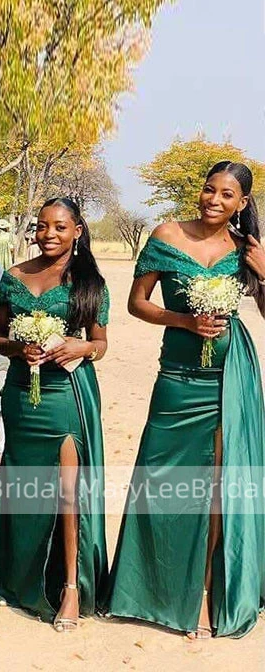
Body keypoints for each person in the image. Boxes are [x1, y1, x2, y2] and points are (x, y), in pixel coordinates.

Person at [101, 161, 265, 639]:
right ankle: (151, 590)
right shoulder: (166, 234)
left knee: (218, 486)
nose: (214, 199)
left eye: (227, 194)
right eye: (209, 189)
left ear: (242, 203)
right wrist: (184, 321)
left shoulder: (245, 249)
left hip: (228, 375)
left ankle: (207, 594)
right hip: (177, 374)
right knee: (162, 480)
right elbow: (137, 303)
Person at [0, 197, 110, 631]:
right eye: (42, 226)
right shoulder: (14, 275)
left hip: (66, 392)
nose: (49, 234)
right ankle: (17, 579)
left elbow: (100, 343)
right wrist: (19, 347)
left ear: (77, 230)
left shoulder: (89, 281)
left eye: (59, 226)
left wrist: (81, 346)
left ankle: (72, 588)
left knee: (68, 491)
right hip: (21, 393)